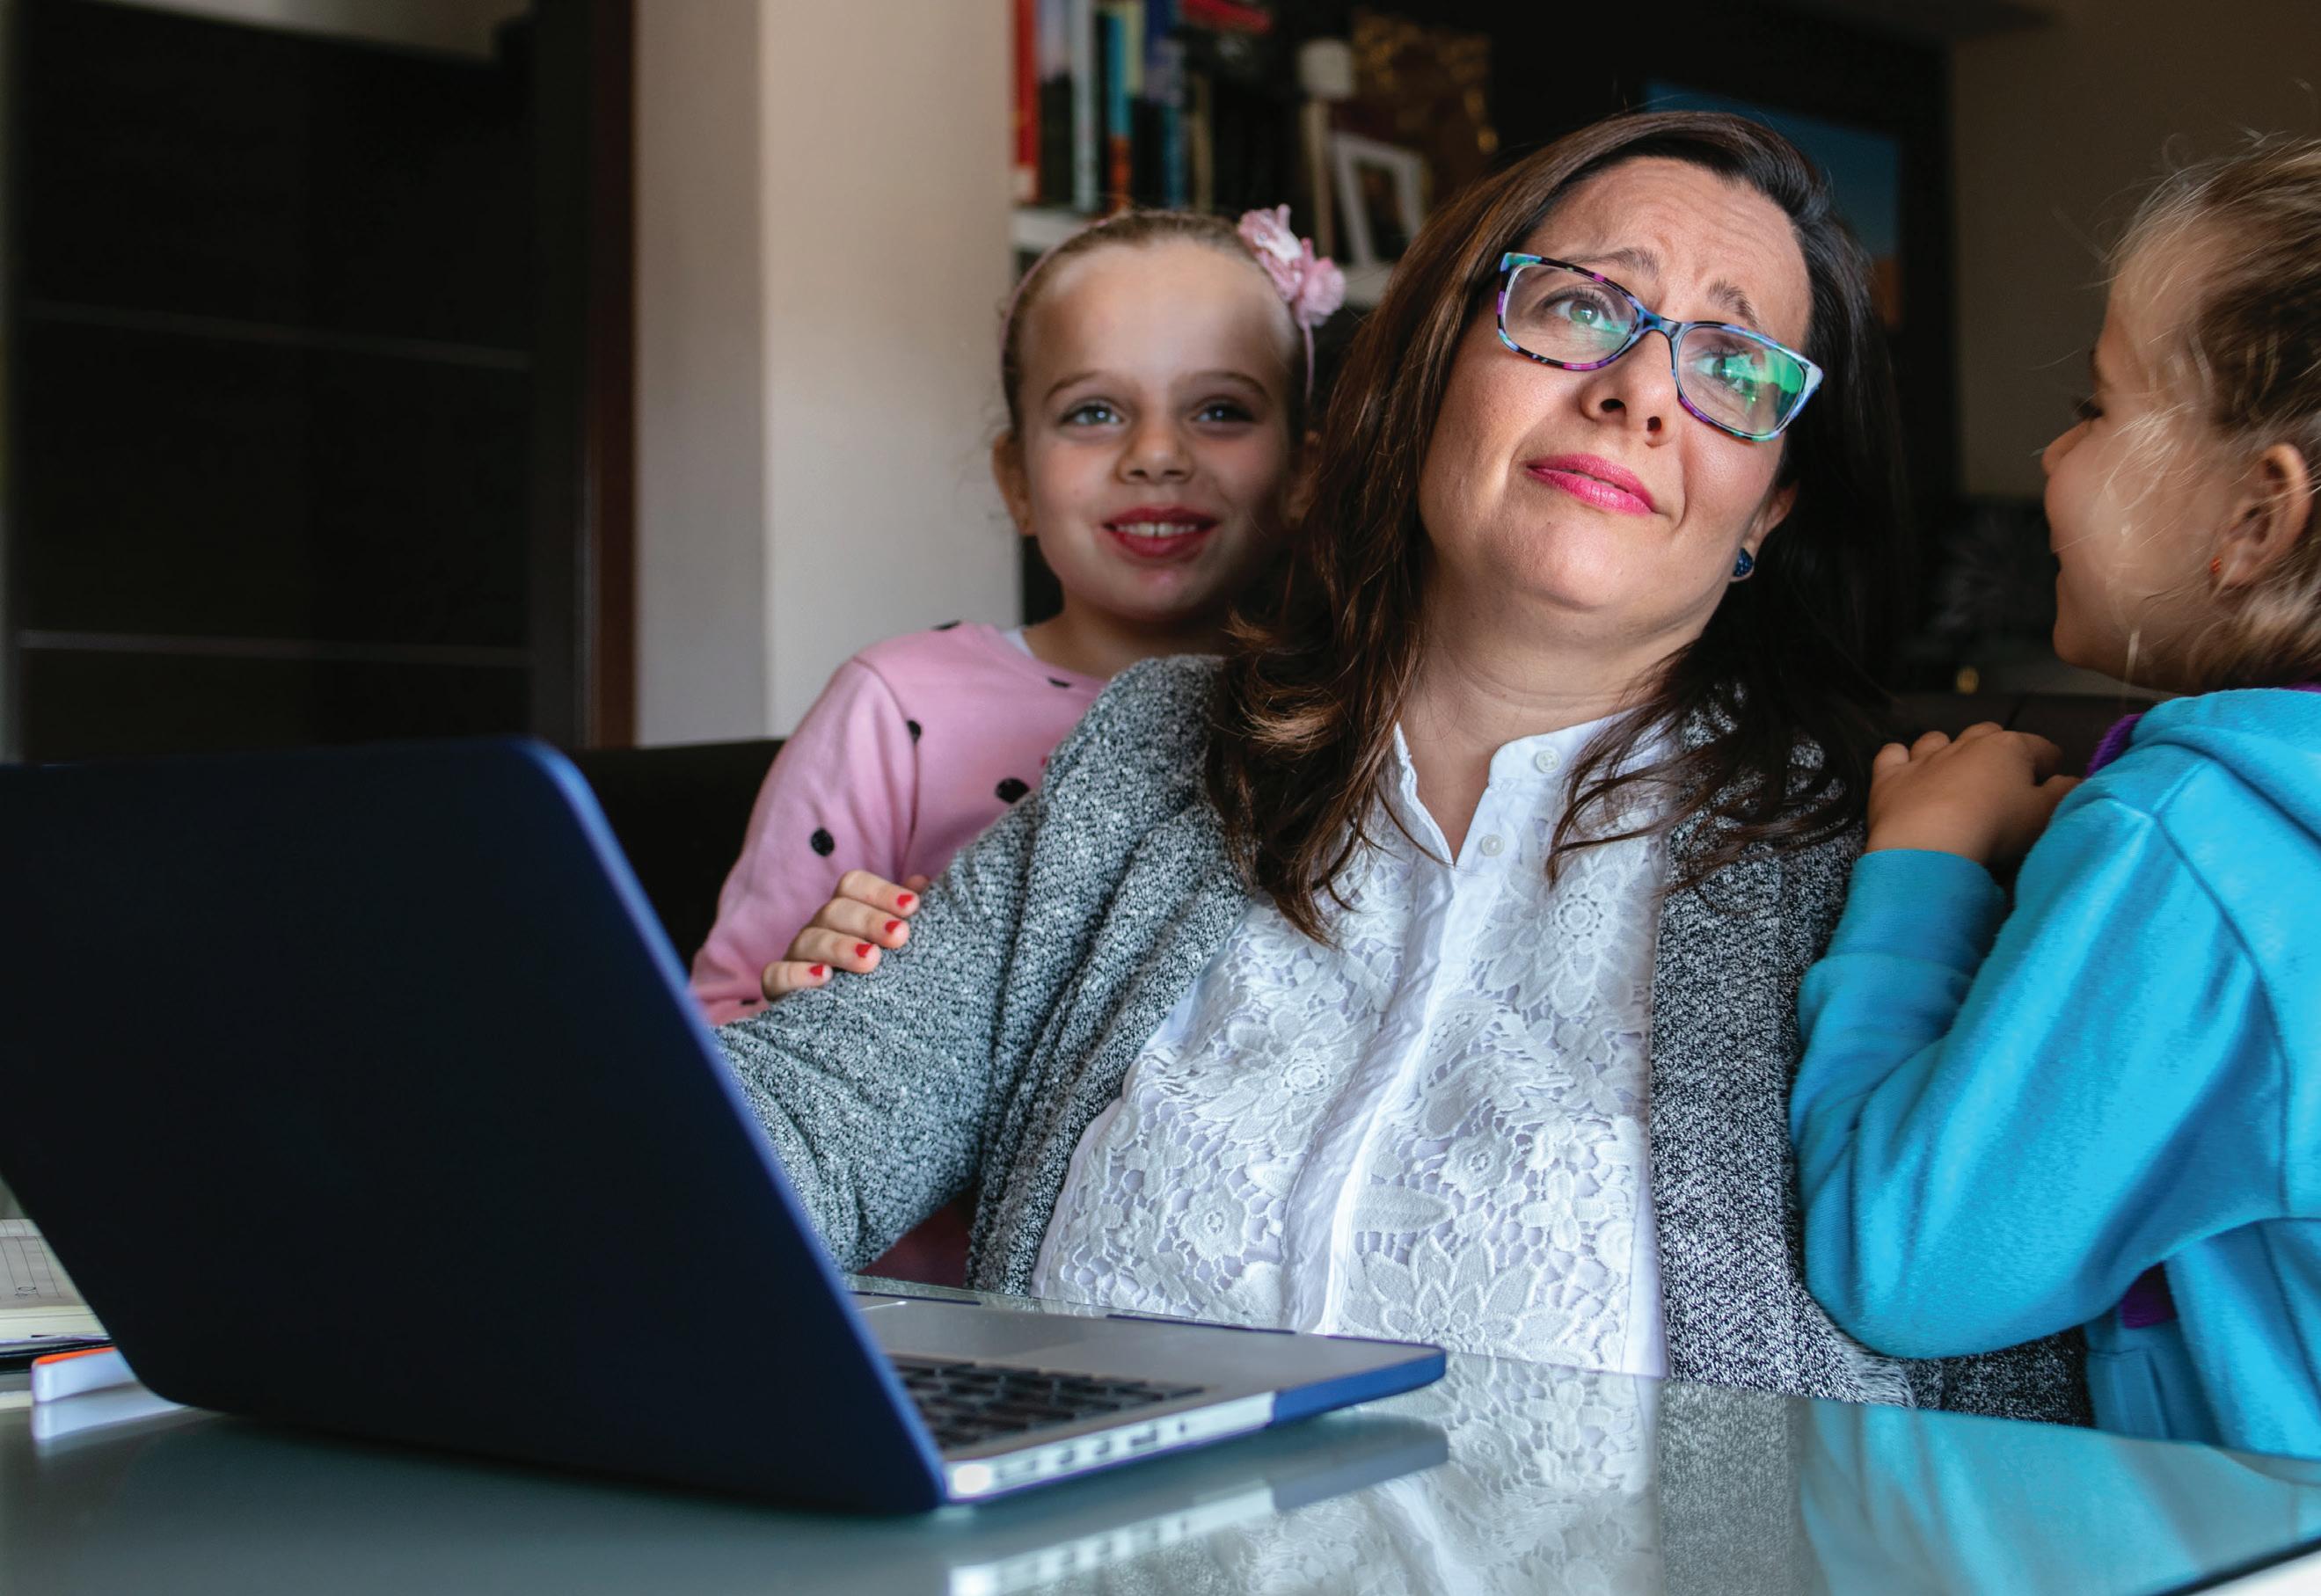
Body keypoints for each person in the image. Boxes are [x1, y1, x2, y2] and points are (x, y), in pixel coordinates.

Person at [716, 109, 2083, 1418]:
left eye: (1732, 366)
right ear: (1433, 362)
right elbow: (802, 1116)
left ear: (1767, 507)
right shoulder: (1151, 749)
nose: (1635, 392)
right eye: (1580, 305)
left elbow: (2006, 1430)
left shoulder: (1884, 868)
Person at [1790, 136, 2321, 1455]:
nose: (2047, 450)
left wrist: (1924, 860)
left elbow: (1903, 1262)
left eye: (2093, 406)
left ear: (2255, 520)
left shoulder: (2191, 842)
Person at [689, 207, 1341, 1026]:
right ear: (1017, 481)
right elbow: (718, 1018)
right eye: (1093, 412)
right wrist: (806, 992)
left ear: (1302, 475)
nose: (1156, 454)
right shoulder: (895, 706)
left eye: (1219, 410)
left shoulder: (1341, 711)